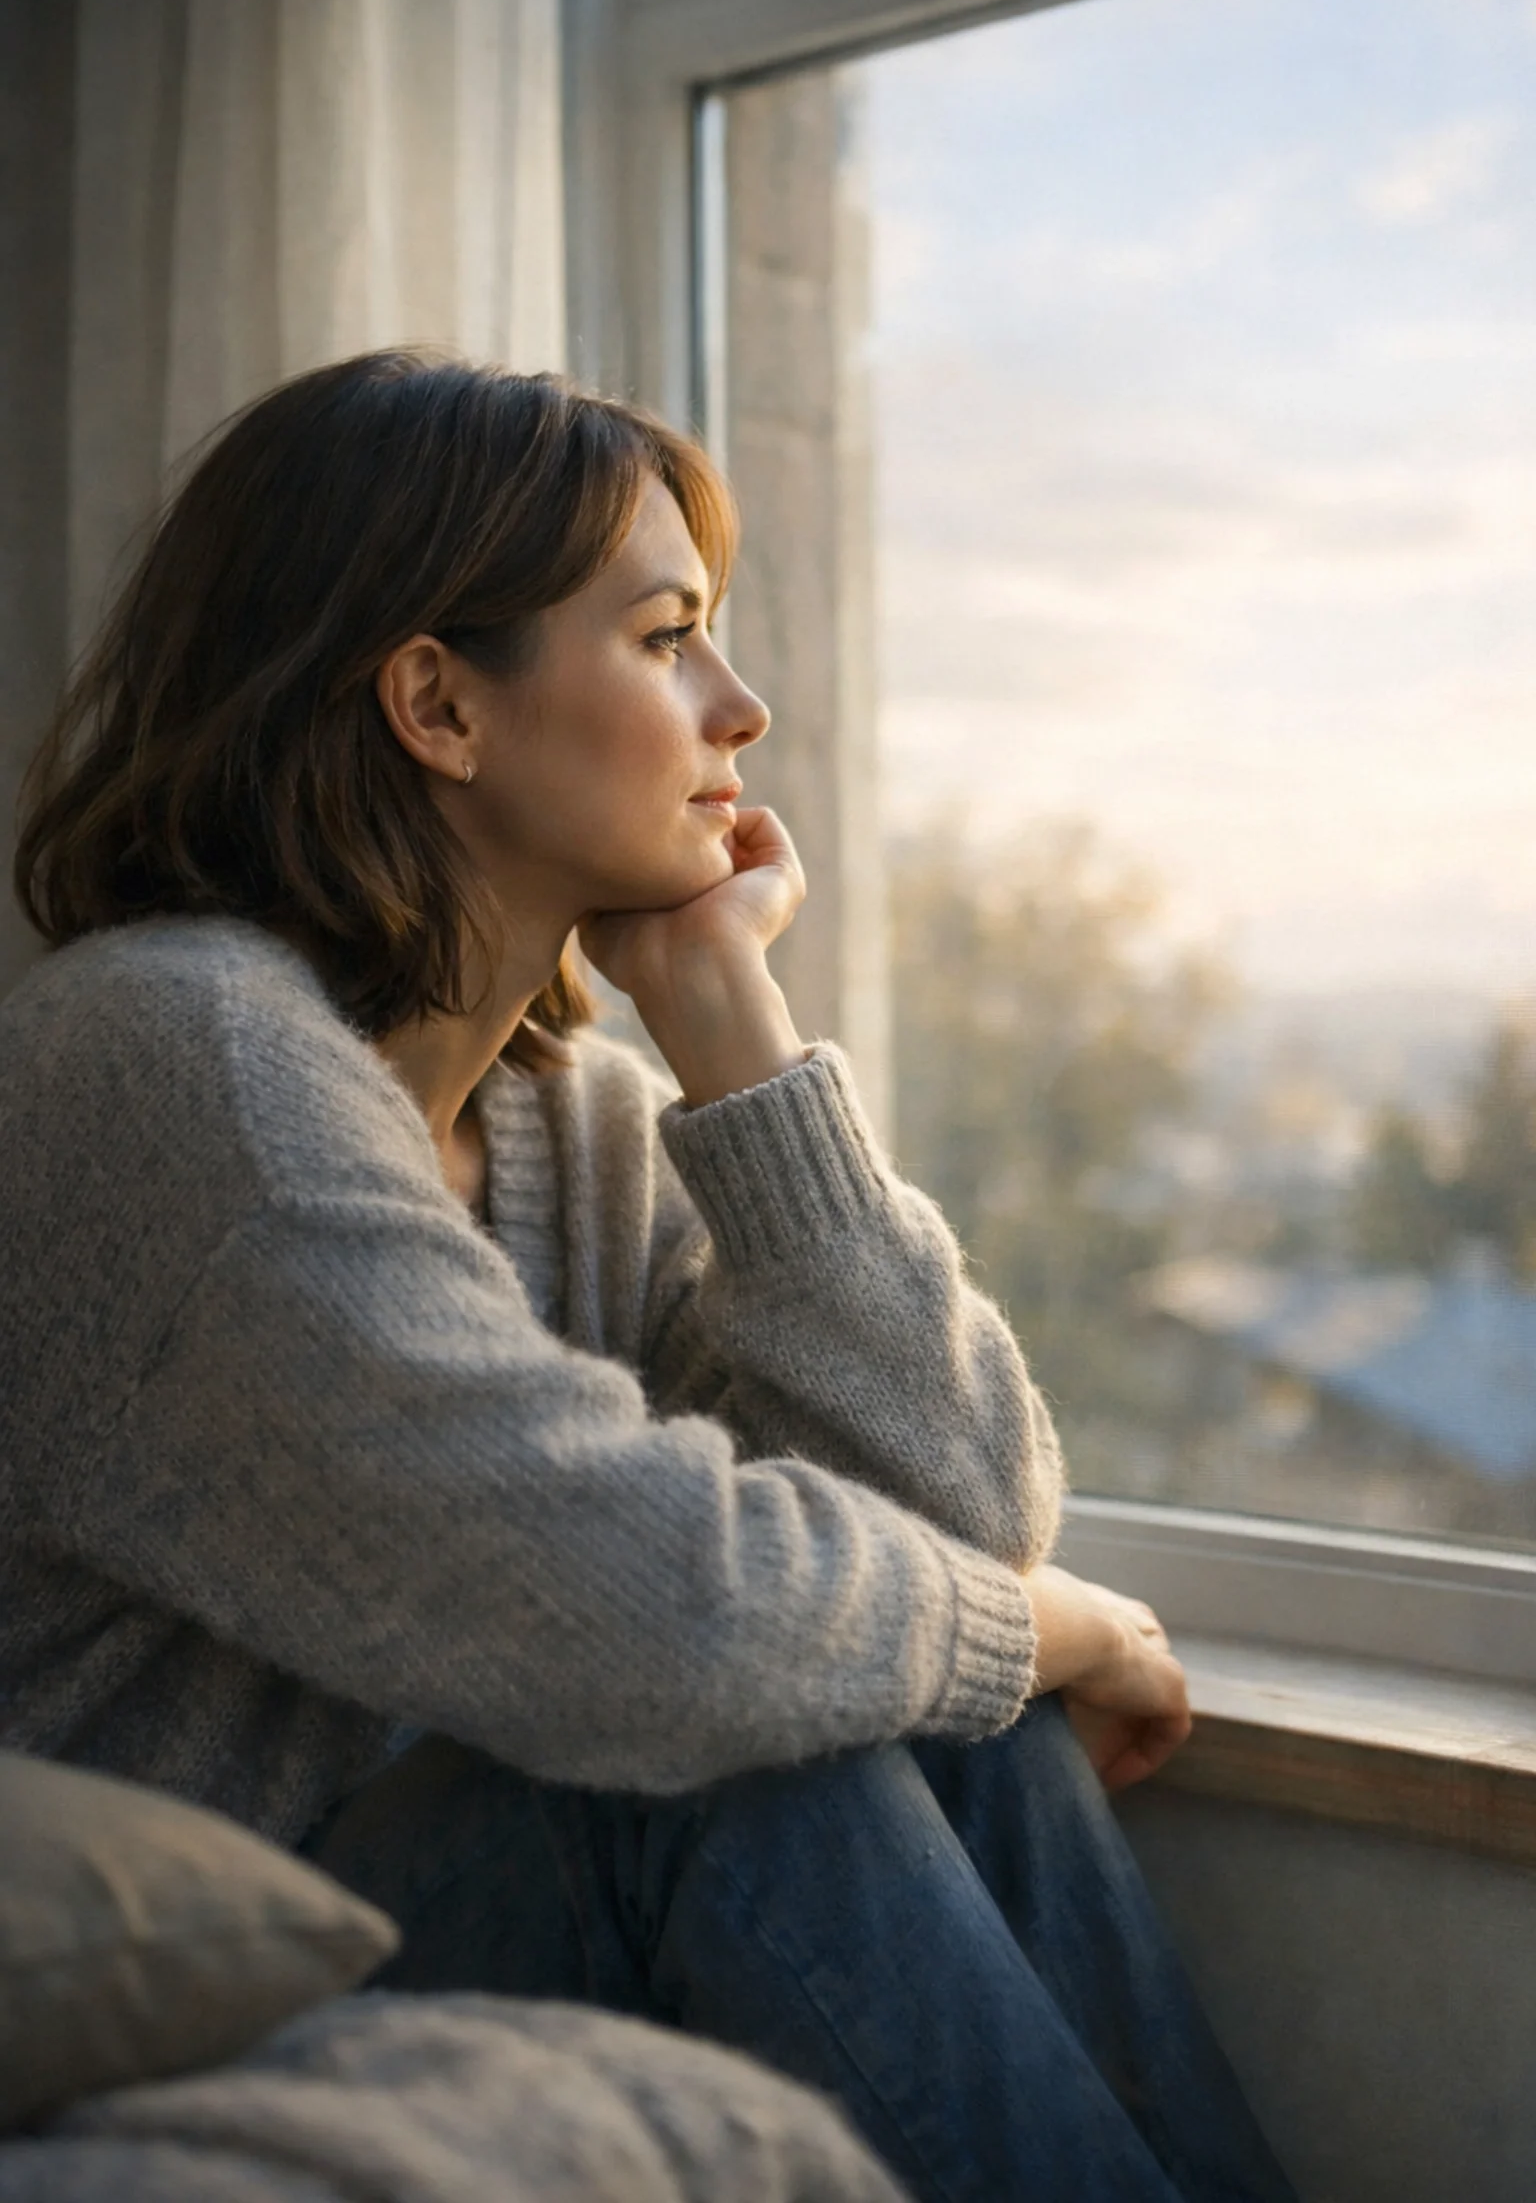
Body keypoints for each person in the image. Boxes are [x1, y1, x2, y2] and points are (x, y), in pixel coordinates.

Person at [1, 351, 1295, 2203]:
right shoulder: (170, 1058)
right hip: (128, 2011)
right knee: (756, 1753)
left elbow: (959, 1507)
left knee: (941, 1717)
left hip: (396, 1924)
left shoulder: (575, 1138)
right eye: (671, 636)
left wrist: (726, 1019)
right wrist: (1054, 1630)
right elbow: (662, 1630)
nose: (742, 708)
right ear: (438, 704)